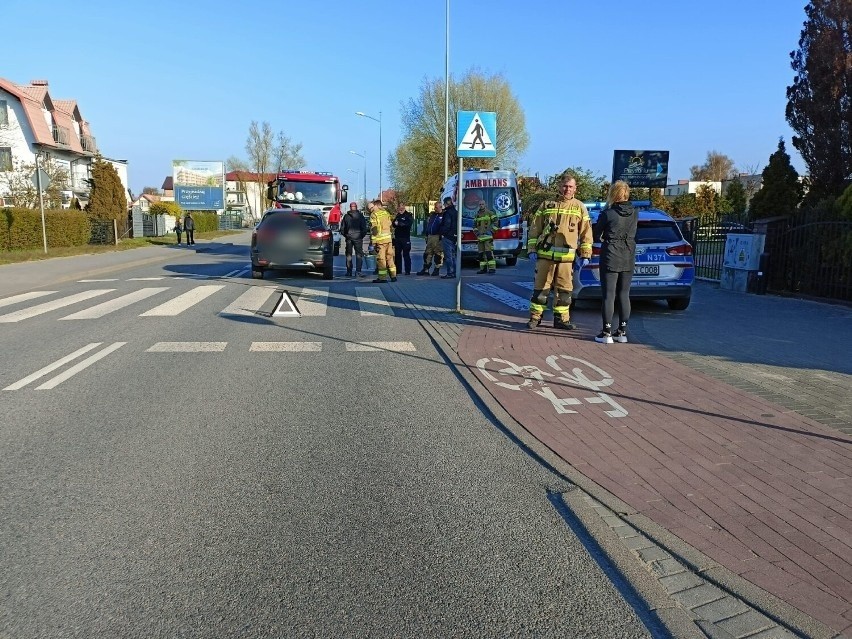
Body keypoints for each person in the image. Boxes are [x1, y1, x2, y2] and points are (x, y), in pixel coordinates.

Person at [526, 175, 593, 330]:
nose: (567, 189)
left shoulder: (579, 207)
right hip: (545, 256)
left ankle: (561, 320)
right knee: (540, 289)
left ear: (575, 188)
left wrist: (585, 254)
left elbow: (586, 233)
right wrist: (531, 249)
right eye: (564, 186)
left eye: (570, 186)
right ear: (559, 186)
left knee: (564, 290)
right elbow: (535, 228)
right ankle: (535, 318)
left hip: (566, 259)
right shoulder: (546, 205)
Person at [593, 180, 638, 344]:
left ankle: (606, 332)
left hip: (611, 255)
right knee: (624, 294)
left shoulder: (608, 214)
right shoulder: (635, 212)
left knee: (609, 295)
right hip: (628, 255)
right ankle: (622, 331)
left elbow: (596, 234)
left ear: (613, 194)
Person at [368, 199, 397, 283]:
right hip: (388, 239)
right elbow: (390, 225)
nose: (371, 210)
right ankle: (393, 276)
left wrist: (373, 242)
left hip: (381, 241)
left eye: (370, 208)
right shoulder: (385, 212)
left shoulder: (374, 215)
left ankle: (382, 278)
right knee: (390, 258)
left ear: (373, 207)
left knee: (381, 259)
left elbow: (374, 229)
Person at [339, 202, 368, 277]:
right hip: (358, 238)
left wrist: (346, 235)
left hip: (349, 238)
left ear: (350, 207)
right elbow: (364, 228)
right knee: (359, 255)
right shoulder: (360, 216)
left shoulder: (346, 216)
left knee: (349, 255)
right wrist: (361, 236)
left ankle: (349, 271)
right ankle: (358, 271)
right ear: (356, 207)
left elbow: (342, 228)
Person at [416, 201, 444, 276]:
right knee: (427, 253)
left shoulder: (443, 215)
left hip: (438, 237)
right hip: (430, 236)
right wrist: (426, 235)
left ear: (440, 207)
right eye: (435, 207)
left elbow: (444, 227)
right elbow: (429, 225)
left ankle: (436, 269)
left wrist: (441, 236)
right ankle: (426, 269)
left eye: (436, 207)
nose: (435, 208)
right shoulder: (433, 215)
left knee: (438, 254)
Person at [473, 200, 498, 274]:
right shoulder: (477, 214)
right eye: (480, 204)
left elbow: (496, 222)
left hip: (488, 237)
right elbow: (474, 226)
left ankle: (492, 269)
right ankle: (483, 269)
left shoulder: (490, 213)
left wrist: (491, 231)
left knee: (489, 254)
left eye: (482, 204)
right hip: (480, 238)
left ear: (485, 204)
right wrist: (477, 233)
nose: (481, 205)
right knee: (481, 255)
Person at [439, 196, 458, 279]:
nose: (443, 205)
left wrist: (442, 232)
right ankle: (454, 272)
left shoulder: (447, 213)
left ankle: (450, 272)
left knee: (448, 256)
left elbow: (447, 225)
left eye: (444, 203)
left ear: (447, 203)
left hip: (448, 237)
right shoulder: (455, 212)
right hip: (454, 236)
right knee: (453, 256)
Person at [392, 203, 414, 275]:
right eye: (399, 208)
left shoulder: (408, 215)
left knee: (406, 254)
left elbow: (408, 224)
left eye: (401, 208)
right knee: (397, 255)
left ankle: (407, 271)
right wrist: (395, 223)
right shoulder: (398, 215)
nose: (400, 209)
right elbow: (393, 224)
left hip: (405, 238)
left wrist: (399, 223)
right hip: (398, 238)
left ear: (404, 207)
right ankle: (398, 270)